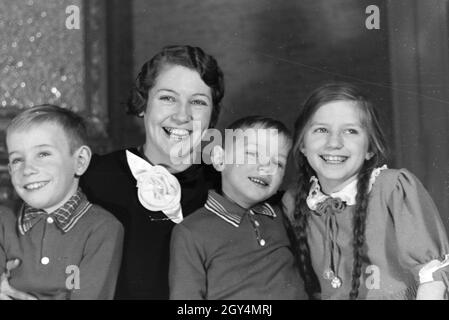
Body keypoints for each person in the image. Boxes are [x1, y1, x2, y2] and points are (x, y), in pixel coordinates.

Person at [80, 45, 224, 299]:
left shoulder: (227, 186)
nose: (182, 115)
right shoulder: (93, 178)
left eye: (198, 102)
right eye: (168, 98)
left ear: (212, 115)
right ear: (143, 103)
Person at [282, 83, 449, 300]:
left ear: (370, 148)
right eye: (321, 130)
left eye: (350, 131)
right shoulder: (294, 202)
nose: (334, 143)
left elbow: (432, 278)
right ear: (302, 144)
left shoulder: (393, 189)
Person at [169, 116, 306, 299]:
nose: (265, 167)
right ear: (219, 159)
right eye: (253, 154)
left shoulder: (283, 213)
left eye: (278, 163)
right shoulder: (191, 231)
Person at [0, 105, 124, 300]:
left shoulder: (103, 228)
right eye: (17, 160)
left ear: (80, 161)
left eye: (43, 154)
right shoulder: (3, 219)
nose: (27, 169)